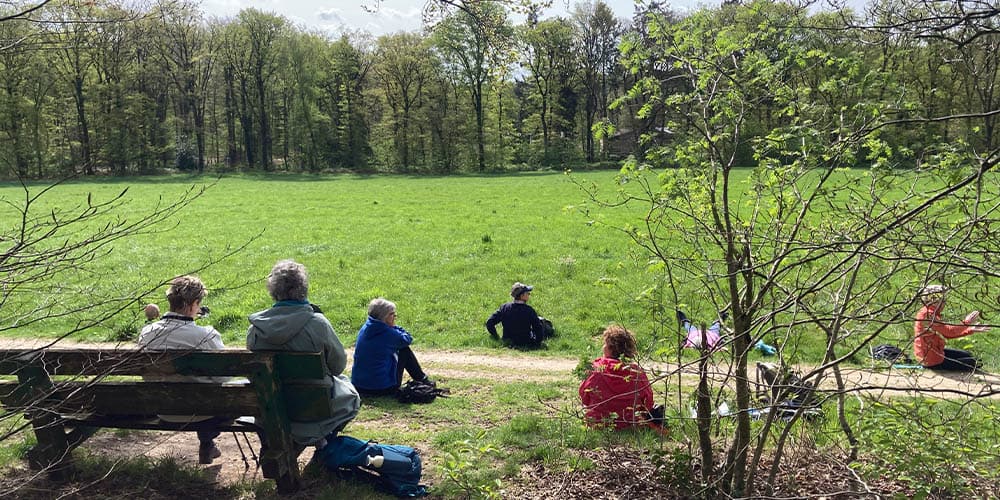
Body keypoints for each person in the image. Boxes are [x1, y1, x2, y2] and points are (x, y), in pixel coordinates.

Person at [246, 260, 360, 447]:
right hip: (314, 409)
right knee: (352, 396)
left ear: (273, 291)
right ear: (303, 289)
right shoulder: (318, 324)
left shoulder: (256, 328)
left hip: (270, 408)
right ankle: (324, 442)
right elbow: (338, 366)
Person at [137, 275, 226, 464]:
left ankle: (208, 445)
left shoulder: (148, 333)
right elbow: (223, 378)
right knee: (211, 391)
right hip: (204, 414)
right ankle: (207, 442)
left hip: (163, 409)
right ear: (194, 304)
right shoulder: (207, 336)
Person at [579, 325, 665, 431]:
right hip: (630, 424)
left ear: (610, 347)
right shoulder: (637, 373)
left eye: (604, 344)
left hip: (599, 423)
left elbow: (584, 397)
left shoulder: (595, 370)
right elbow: (647, 404)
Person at [351, 298, 434, 396]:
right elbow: (407, 339)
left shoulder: (366, 327)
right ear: (384, 316)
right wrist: (395, 327)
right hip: (380, 389)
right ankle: (422, 379)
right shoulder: (388, 333)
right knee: (404, 350)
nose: (395, 316)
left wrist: (392, 327)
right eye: (392, 314)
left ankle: (422, 379)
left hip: (359, 386)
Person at [914, 285, 988, 371]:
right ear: (934, 300)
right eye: (943, 299)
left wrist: (969, 330)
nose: (944, 302)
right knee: (974, 362)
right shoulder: (928, 315)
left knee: (967, 354)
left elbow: (946, 334)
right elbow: (949, 331)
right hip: (932, 360)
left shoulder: (929, 312)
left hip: (933, 353)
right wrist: (966, 323)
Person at [485, 282, 545, 348]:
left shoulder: (505, 308)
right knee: (543, 322)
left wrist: (496, 337)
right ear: (522, 296)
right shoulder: (529, 310)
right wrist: (537, 343)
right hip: (525, 341)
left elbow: (489, 322)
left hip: (508, 340)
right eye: (527, 293)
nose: (529, 294)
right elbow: (538, 328)